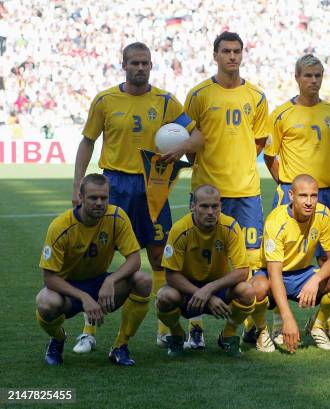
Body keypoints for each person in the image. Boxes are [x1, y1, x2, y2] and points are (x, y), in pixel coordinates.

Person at [72, 42, 202, 352]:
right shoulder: (105, 100)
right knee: (101, 255)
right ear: (124, 65)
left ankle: (162, 329)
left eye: (145, 63)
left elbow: (197, 136)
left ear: (151, 65)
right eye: (134, 63)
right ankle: (88, 330)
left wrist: (181, 149)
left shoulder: (166, 102)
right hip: (114, 184)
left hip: (153, 186)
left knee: (160, 256)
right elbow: (87, 141)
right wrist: (78, 183)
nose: (140, 68)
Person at [184, 32, 271, 348]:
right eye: (226, 51)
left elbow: (260, 140)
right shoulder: (199, 95)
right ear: (215, 55)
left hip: (246, 193)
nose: (232, 56)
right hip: (208, 195)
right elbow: (190, 143)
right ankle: (195, 327)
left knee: (249, 264)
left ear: (242, 54)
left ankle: (242, 326)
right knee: (195, 262)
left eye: (236, 51)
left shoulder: (257, 96)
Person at [259, 54, 330, 342]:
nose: (313, 80)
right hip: (290, 192)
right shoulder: (282, 114)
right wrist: (288, 186)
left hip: (325, 191)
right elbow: (271, 156)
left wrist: (319, 182)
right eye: (308, 75)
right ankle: (277, 319)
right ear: (297, 77)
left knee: (327, 257)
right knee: (280, 256)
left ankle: (326, 322)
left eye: (318, 75)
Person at [36, 174, 151, 366]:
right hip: (68, 289)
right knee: (45, 302)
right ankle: (57, 339)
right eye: (93, 198)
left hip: (100, 283)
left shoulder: (116, 217)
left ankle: (120, 346)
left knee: (143, 280)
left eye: (104, 198)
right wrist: (83, 296)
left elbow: (134, 260)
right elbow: (49, 278)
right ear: (80, 198)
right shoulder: (60, 226)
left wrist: (110, 281)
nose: (99, 203)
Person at [250, 174, 330, 353]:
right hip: (272, 273)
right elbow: (274, 273)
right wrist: (288, 318)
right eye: (303, 195)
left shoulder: (323, 214)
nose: (309, 202)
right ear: (291, 196)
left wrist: (315, 280)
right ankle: (262, 331)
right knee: (256, 288)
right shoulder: (276, 221)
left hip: (303, 274)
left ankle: (317, 326)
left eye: (313, 195)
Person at [155, 184, 256, 357]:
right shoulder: (180, 229)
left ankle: (228, 335)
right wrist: (203, 295)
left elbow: (242, 271)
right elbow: (170, 275)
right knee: (164, 296)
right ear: (193, 206)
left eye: (214, 206)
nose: (210, 212)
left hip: (218, 288)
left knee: (247, 291)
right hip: (188, 291)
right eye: (204, 206)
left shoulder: (230, 226)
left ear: (220, 206)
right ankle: (177, 334)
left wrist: (209, 290)